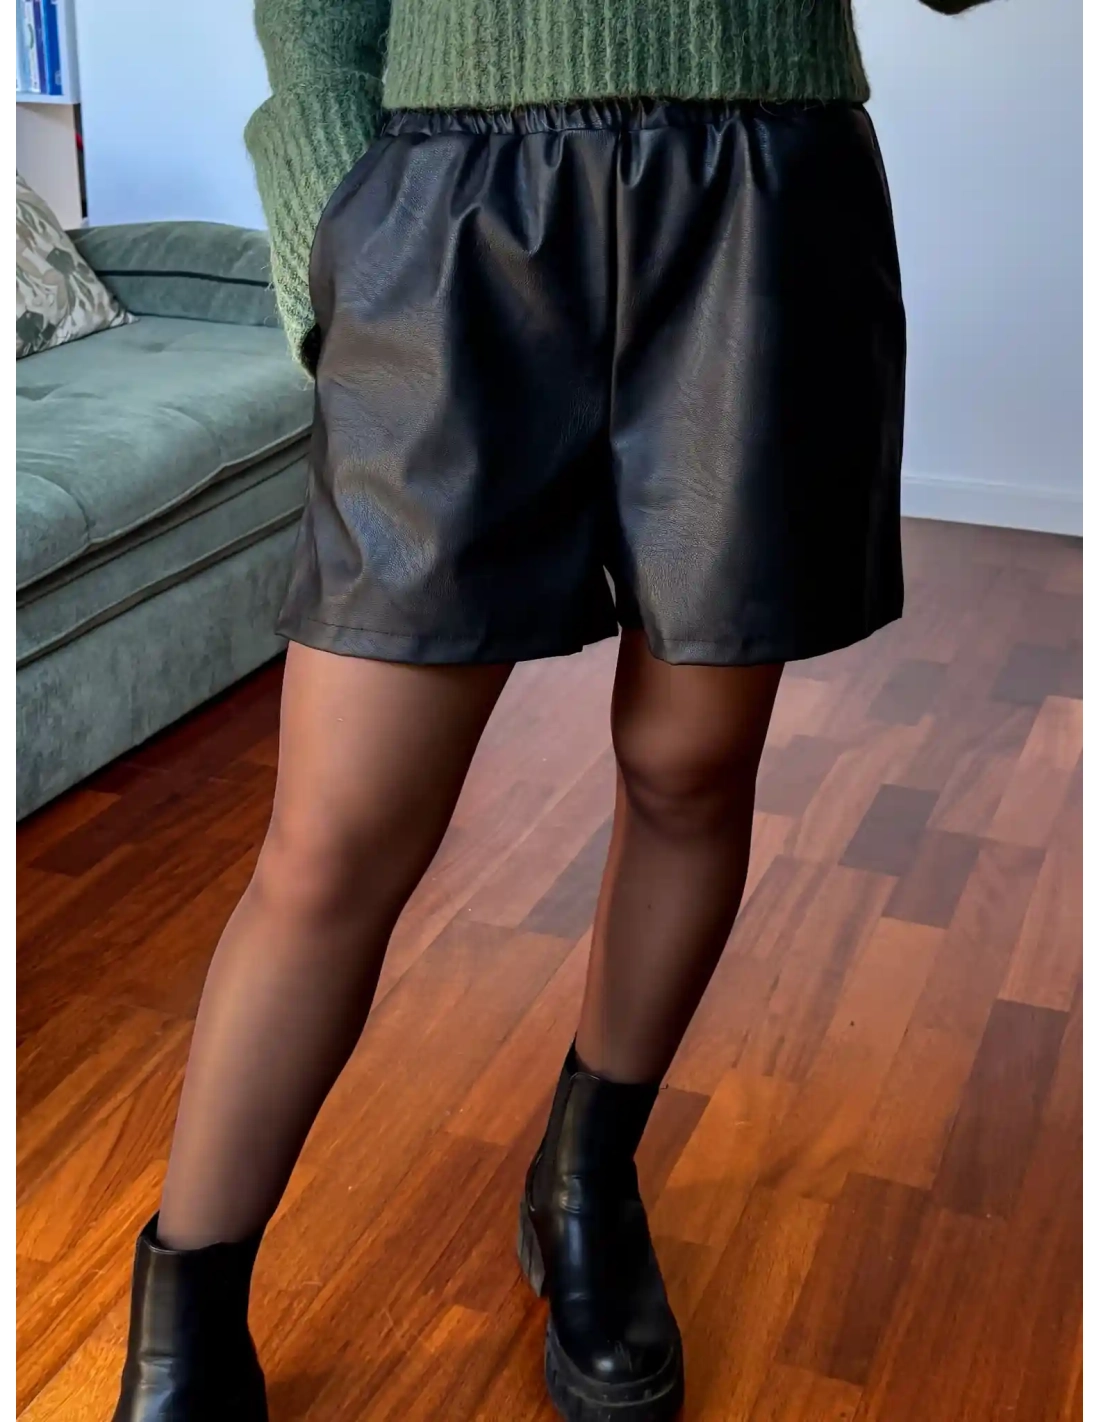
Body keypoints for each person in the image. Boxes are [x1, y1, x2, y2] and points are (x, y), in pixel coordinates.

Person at [110, 0, 991, 1418]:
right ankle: (184, 1332)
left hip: (760, 191)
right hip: (450, 213)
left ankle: (588, 1177)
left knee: (692, 767)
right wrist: (340, 239)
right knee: (336, 834)